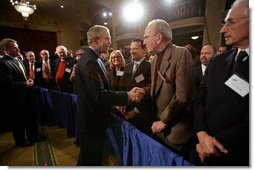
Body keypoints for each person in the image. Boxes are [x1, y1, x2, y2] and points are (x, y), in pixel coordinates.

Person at [75, 25, 145, 165]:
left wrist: (114, 104)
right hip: (91, 122)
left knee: (91, 157)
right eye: (107, 38)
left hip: (94, 119)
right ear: (95, 40)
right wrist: (128, 96)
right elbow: (99, 95)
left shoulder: (96, 58)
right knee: (89, 160)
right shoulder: (90, 61)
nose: (110, 42)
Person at [193, 0, 249, 166]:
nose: (222, 29)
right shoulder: (217, 61)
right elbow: (199, 99)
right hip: (200, 147)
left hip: (234, 155)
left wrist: (212, 143)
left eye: (230, 23)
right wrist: (201, 134)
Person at [142, 19, 194, 158]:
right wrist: (143, 91)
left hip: (175, 131)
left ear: (159, 37)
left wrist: (164, 121)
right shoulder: (154, 60)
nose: (144, 42)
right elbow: (157, 87)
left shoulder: (181, 54)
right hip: (157, 128)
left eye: (146, 37)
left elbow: (183, 96)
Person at [0, 38, 40, 147]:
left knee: (28, 119)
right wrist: (26, 84)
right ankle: (21, 142)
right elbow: (7, 84)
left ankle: (33, 136)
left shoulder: (16, 59)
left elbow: (23, 75)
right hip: (15, 99)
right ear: (5, 49)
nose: (18, 49)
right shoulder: (3, 63)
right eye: (14, 48)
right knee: (18, 122)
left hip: (26, 96)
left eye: (17, 47)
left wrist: (28, 79)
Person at [120, 37, 153, 135]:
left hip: (141, 116)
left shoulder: (150, 67)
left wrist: (135, 111)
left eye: (135, 49)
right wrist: (122, 103)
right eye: (130, 49)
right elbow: (123, 87)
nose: (132, 51)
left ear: (144, 50)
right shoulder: (127, 66)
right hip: (125, 111)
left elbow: (151, 92)